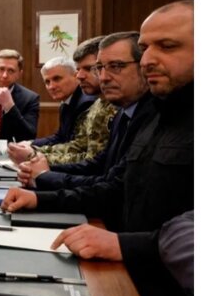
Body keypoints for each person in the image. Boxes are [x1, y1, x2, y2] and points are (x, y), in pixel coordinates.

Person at [2, 0, 194, 296]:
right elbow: (116, 185)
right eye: (146, 48)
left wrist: (122, 244)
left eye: (167, 46)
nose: (150, 59)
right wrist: (41, 198)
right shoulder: (156, 115)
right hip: (134, 286)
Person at [17, 32, 153, 194]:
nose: (80, 76)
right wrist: (42, 168)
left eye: (115, 66)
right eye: (99, 68)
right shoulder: (113, 108)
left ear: (144, 66)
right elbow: (95, 159)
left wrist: (41, 165)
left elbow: (110, 181)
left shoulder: (128, 110)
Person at [8, 36, 116, 166]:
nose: (51, 86)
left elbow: (91, 162)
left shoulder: (88, 103)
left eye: (89, 68)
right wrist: (34, 149)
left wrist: (34, 156)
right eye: (47, 82)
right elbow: (75, 144)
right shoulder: (96, 103)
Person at [30, 56, 95, 147]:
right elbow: (60, 137)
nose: (51, 87)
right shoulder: (66, 102)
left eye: (57, 79)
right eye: (47, 82)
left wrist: (34, 151)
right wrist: (30, 144)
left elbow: (76, 147)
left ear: (76, 76)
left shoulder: (86, 103)